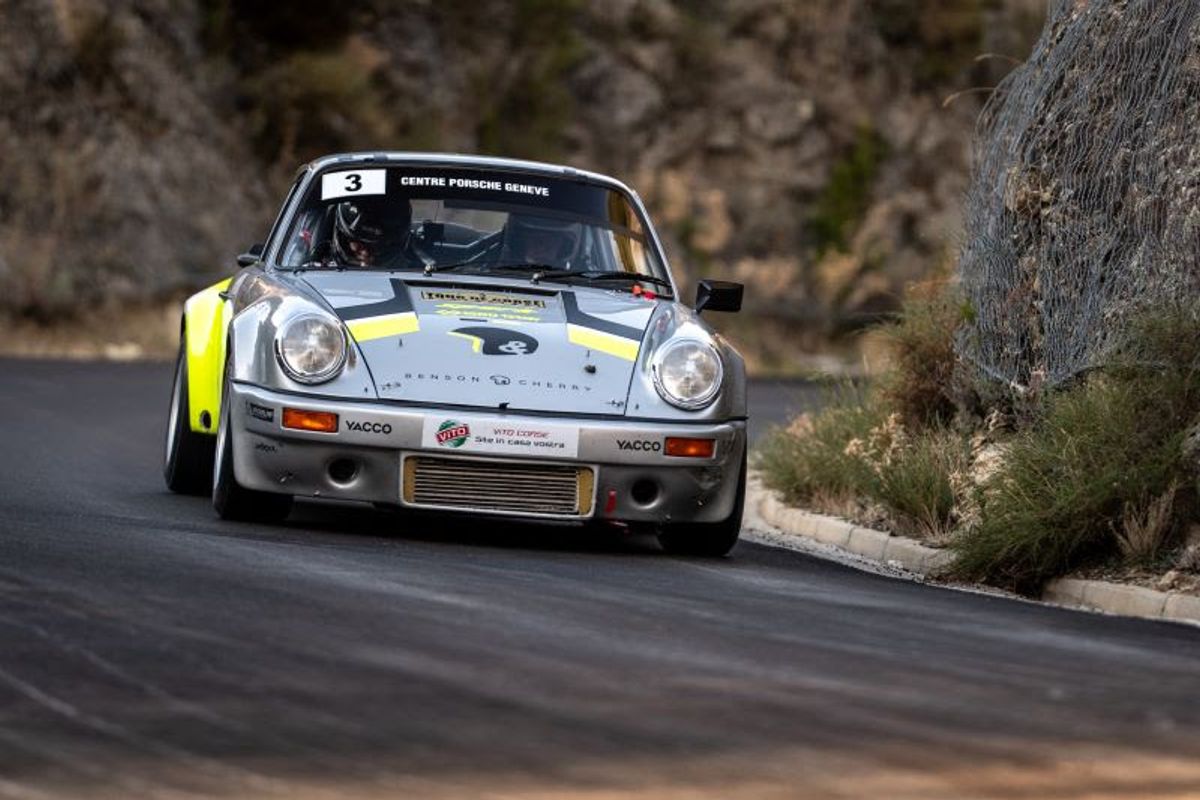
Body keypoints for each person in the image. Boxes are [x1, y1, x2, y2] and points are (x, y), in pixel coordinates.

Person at [329, 195, 416, 268]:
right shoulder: (319, 264)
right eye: (360, 245)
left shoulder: (419, 269)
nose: (366, 253)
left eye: (376, 247)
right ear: (343, 238)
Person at [501, 214, 584, 269]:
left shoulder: (579, 281)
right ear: (521, 242)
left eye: (549, 239)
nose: (542, 247)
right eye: (535, 239)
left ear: (563, 245)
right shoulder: (494, 274)